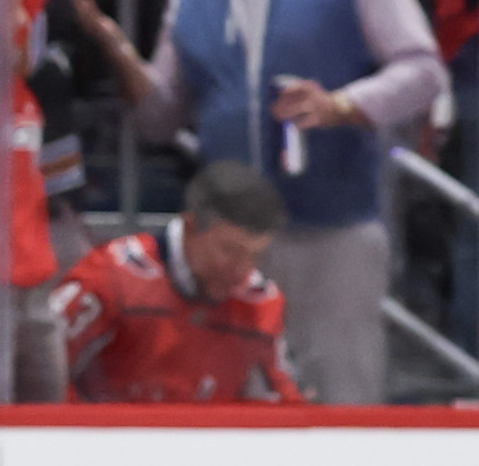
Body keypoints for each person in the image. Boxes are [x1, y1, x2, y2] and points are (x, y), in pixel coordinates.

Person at [135, 0, 445, 404]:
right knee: (232, 401)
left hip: (333, 232)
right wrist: (108, 44)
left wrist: (346, 104)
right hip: (227, 248)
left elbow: (423, 69)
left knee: (342, 394)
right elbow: (157, 117)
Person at [52, 159, 298, 402]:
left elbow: (282, 407)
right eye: (229, 250)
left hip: (210, 439)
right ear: (191, 227)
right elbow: (42, 377)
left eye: (256, 256)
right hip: (105, 436)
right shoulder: (110, 275)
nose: (242, 270)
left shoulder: (261, 303)